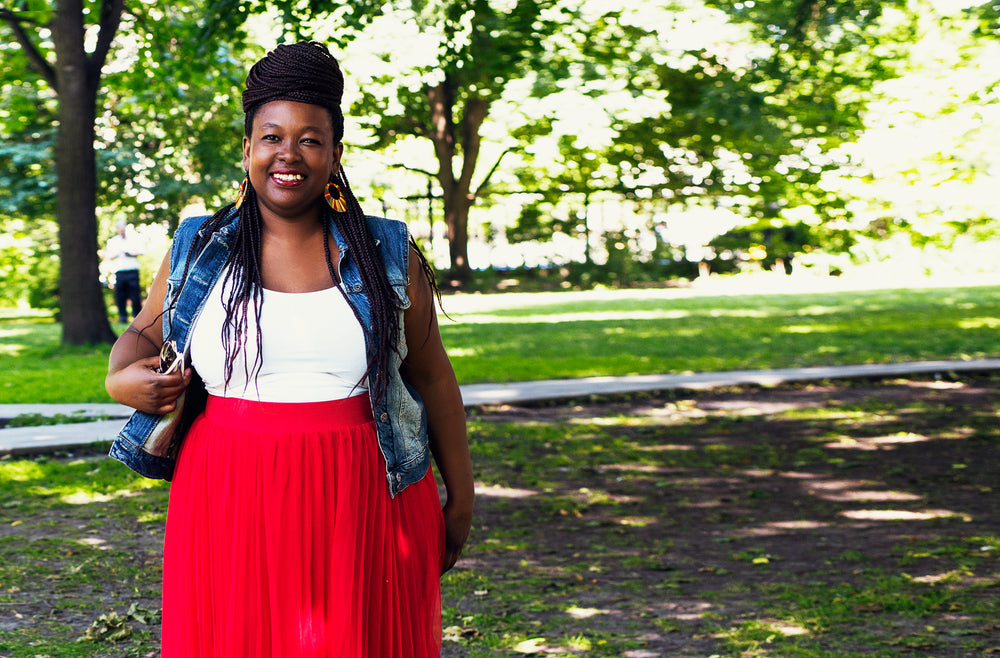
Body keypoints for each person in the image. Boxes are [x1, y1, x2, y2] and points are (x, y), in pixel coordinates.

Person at [105, 41, 474, 657]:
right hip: (227, 489)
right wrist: (120, 379)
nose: (289, 154)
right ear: (248, 148)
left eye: (310, 139)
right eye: (272, 136)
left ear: (334, 155)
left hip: (364, 494)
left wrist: (461, 495)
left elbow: (435, 379)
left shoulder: (388, 253)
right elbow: (142, 335)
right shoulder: (200, 245)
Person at [104, 219, 144, 323]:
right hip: (120, 272)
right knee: (120, 296)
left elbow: (142, 251)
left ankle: (137, 317)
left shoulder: (133, 239)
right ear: (117, 230)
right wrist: (117, 253)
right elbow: (108, 256)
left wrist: (130, 253)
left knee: (135, 295)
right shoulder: (113, 241)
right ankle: (123, 317)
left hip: (132, 270)